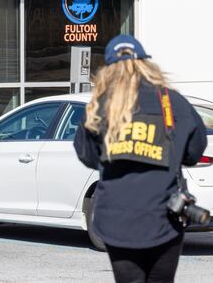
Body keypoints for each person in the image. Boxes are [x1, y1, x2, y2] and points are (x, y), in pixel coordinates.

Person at [74, 34, 207, 283]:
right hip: (163, 218)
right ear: (146, 63)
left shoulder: (100, 105)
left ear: (109, 69)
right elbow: (194, 150)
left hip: (117, 220)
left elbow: (87, 155)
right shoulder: (172, 102)